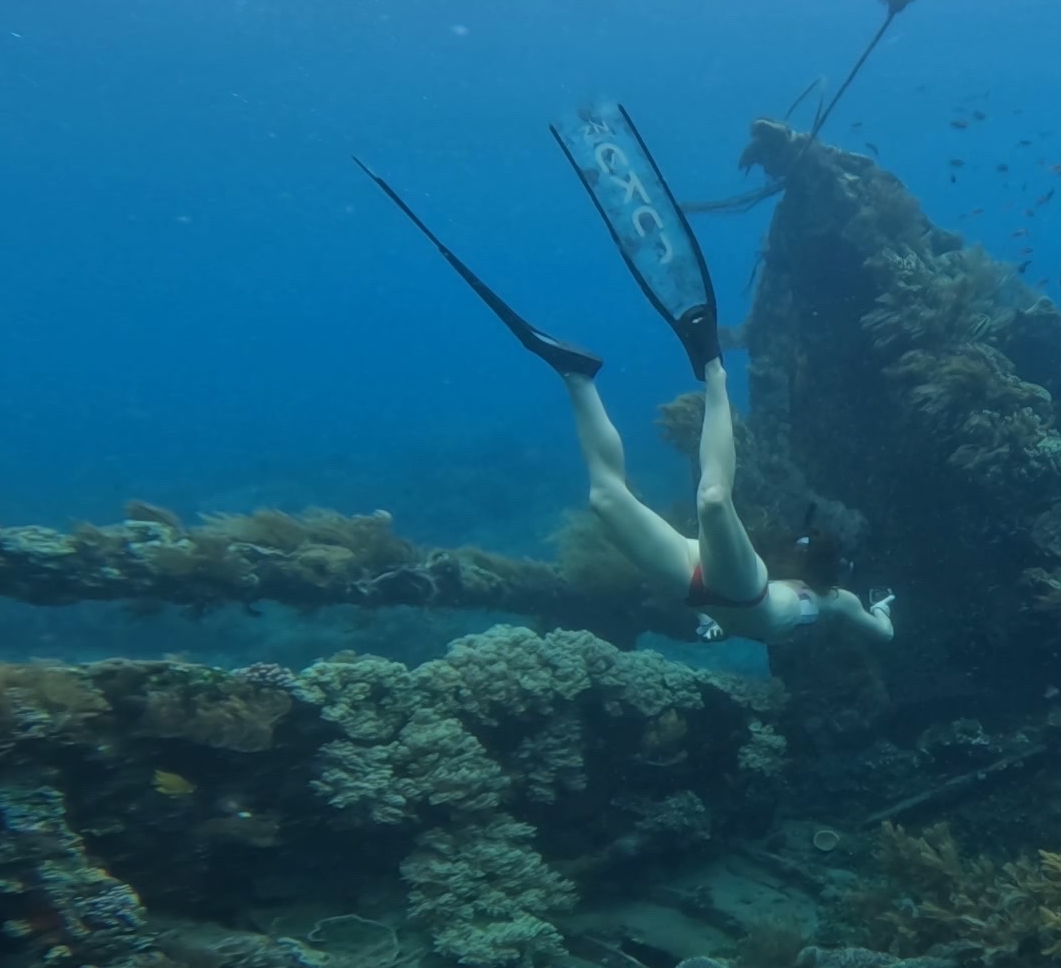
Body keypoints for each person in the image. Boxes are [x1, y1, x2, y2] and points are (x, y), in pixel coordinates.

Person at [353, 104, 894, 645]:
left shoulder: (838, 601)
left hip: (696, 585)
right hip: (736, 590)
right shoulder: (805, 593)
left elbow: (881, 633)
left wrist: (881, 609)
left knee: (606, 500)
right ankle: (714, 369)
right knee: (712, 499)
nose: (803, 554)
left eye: (810, 552)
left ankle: (576, 376)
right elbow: (861, 629)